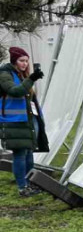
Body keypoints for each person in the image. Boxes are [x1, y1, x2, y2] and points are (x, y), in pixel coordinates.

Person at [1, 46, 47, 197]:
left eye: (27, 61)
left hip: (27, 120)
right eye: (22, 60)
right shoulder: (5, 74)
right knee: (20, 154)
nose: (25, 64)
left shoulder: (21, 75)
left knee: (28, 153)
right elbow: (15, 91)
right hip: (13, 121)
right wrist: (32, 78)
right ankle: (22, 187)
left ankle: (30, 184)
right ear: (14, 60)